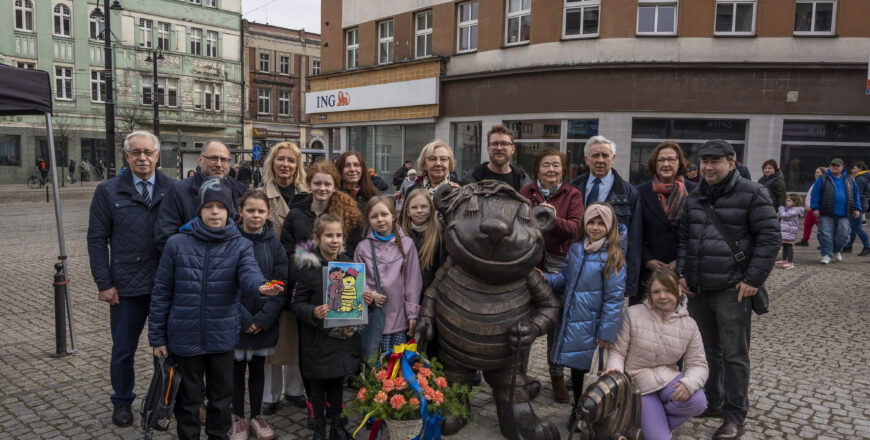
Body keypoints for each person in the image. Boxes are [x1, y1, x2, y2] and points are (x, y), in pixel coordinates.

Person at [149, 177, 284, 440]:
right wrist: (157, 337)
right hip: (184, 338)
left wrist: (261, 288)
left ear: (229, 211)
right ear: (199, 210)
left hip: (221, 338)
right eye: (209, 206)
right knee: (187, 404)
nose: (214, 212)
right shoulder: (177, 244)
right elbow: (161, 293)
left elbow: (249, 274)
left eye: (220, 207)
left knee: (221, 403)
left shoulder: (240, 245)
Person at [676, 139, 779, 440]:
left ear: (732, 162)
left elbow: (770, 239)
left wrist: (753, 280)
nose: (707, 167)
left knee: (735, 355)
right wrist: (683, 274)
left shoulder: (754, 193)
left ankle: (735, 416)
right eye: (704, 161)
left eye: (715, 161)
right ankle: (713, 402)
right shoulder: (695, 196)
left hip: (733, 290)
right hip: (699, 289)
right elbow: (685, 238)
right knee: (707, 352)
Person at [87, 131, 174, 428]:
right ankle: (122, 401)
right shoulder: (108, 191)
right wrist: (103, 282)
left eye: (148, 152)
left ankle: (161, 402)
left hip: (165, 284)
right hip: (126, 286)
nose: (142, 157)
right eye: (135, 152)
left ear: (157, 155)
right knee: (123, 349)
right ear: (126, 156)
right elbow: (97, 239)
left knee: (164, 350)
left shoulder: (172, 189)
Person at [603, 267, 709, 440]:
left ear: (679, 290)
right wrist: (615, 371)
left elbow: (698, 364)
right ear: (650, 294)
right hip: (638, 383)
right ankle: (651, 424)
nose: (663, 296)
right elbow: (618, 351)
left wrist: (689, 383)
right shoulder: (632, 314)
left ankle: (647, 422)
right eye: (656, 292)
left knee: (698, 401)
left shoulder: (690, 325)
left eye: (668, 290)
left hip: (667, 378)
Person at [541, 202, 626, 406]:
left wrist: (606, 332)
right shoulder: (577, 249)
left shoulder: (613, 257)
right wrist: (544, 278)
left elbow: (614, 300)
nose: (595, 228)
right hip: (575, 322)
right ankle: (577, 410)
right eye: (591, 223)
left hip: (593, 324)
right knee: (577, 370)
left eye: (600, 224)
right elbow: (564, 279)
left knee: (591, 371)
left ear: (609, 227)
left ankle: (590, 411)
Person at [518, 148, 584, 404]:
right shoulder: (526, 193)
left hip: (558, 268)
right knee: (524, 321)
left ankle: (556, 375)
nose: (551, 170)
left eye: (556, 165)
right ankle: (519, 375)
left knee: (556, 324)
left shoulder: (572, 194)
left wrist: (552, 219)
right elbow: (516, 224)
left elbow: (577, 229)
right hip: (528, 266)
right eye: (546, 165)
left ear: (563, 169)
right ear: (538, 169)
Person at [291, 214, 361, 440]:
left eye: (338, 235)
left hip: (341, 337)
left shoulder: (349, 266)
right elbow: (294, 303)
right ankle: (319, 429)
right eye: (329, 235)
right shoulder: (307, 268)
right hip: (316, 339)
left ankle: (338, 428)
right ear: (316, 238)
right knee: (318, 386)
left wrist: (364, 297)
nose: (334, 240)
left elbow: (354, 296)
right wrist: (312, 311)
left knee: (338, 382)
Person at [230, 190, 288, 440]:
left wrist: (263, 319)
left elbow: (282, 282)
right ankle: (237, 418)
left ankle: (255, 415)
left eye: (261, 211)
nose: (256, 215)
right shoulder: (228, 242)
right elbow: (223, 284)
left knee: (257, 371)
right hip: (235, 320)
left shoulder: (274, 245)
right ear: (240, 211)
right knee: (234, 372)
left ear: (268, 214)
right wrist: (244, 319)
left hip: (264, 320)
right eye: (250, 210)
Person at [260, 141, 309, 414]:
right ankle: (270, 394)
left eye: (291, 160)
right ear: (272, 163)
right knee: (273, 336)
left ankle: (295, 390)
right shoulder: (260, 194)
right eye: (281, 160)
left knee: (297, 335)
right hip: (271, 274)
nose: (286, 165)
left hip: (301, 274)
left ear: (298, 165)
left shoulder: (308, 194)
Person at [569, 135, 642, 302]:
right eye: (595, 156)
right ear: (587, 160)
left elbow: (635, 240)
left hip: (611, 270)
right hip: (579, 267)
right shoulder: (573, 187)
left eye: (605, 155)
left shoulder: (629, 193)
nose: (600, 160)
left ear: (613, 159)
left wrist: (629, 284)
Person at [353, 195, 423, 360]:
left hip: (399, 319)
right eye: (374, 216)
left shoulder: (407, 244)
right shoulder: (362, 248)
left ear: (393, 215)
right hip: (373, 319)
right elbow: (356, 282)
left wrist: (412, 314)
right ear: (368, 219)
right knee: (373, 366)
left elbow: (413, 282)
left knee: (396, 368)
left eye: (384, 214)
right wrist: (370, 294)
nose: (380, 219)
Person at [154, 140, 247, 253]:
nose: (218, 164)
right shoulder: (178, 190)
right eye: (213, 158)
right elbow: (166, 236)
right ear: (200, 160)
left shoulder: (240, 190)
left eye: (224, 160)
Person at [636, 142, 696, 290]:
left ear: (679, 162)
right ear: (654, 163)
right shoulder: (639, 192)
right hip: (649, 271)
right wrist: (647, 260)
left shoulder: (695, 191)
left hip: (684, 272)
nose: (666, 164)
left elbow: (699, 231)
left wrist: (681, 261)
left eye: (671, 159)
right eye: (661, 160)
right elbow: (634, 232)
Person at [281, 161, 363, 267]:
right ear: (309, 185)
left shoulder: (344, 214)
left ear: (335, 187)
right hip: (302, 276)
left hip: (335, 276)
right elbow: (287, 250)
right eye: (317, 184)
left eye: (327, 184)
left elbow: (350, 249)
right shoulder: (295, 214)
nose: (322, 188)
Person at [810, 158, 862, 264]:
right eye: (833, 165)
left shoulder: (850, 179)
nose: (835, 167)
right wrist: (815, 208)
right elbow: (815, 194)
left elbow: (855, 195)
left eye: (838, 165)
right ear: (830, 166)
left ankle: (837, 250)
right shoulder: (822, 178)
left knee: (843, 233)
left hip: (844, 213)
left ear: (842, 167)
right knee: (825, 234)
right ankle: (826, 254)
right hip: (826, 212)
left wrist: (857, 208)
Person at [400, 188, 446, 297]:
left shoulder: (440, 234)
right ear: (408, 211)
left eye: (424, 206)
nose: (419, 210)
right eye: (414, 207)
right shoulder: (400, 235)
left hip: (429, 293)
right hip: (404, 293)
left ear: (431, 208)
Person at [461, 125, 531, 191]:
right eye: (494, 144)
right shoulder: (471, 178)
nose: (499, 148)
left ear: (512, 149)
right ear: (488, 149)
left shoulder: (523, 180)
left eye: (504, 143)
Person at [843, 161, 870, 255]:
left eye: (854, 168)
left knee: (857, 227)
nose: (852, 170)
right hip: (860, 205)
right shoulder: (862, 177)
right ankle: (848, 246)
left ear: (860, 169)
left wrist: (855, 207)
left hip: (857, 206)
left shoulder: (860, 179)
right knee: (853, 227)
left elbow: (856, 194)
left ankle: (867, 246)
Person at [797, 167, 825, 247]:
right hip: (810, 209)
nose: (816, 174)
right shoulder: (815, 183)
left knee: (820, 227)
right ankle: (805, 240)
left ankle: (823, 243)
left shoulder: (822, 183)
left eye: (818, 172)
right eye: (816, 172)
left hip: (815, 209)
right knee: (807, 225)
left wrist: (813, 206)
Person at [776, 194, 805, 270]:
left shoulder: (795, 211)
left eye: (789, 201)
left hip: (790, 232)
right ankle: (784, 259)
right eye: (787, 200)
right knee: (785, 245)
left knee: (789, 247)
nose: (786, 202)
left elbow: (785, 215)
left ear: (795, 202)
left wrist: (781, 208)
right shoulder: (789, 209)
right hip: (785, 232)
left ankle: (790, 262)